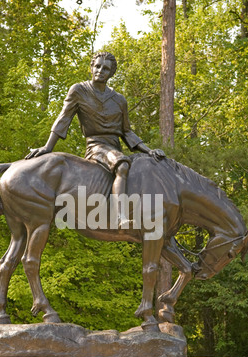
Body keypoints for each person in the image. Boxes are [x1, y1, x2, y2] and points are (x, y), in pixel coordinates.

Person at [25, 52, 164, 228]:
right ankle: (120, 216)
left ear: (111, 73)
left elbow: (127, 132)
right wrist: (48, 147)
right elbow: (63, 119)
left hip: (115, 148)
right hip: (96, 146)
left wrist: (149, 151)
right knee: (122, 164)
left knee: (144, 171)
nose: (100, 70)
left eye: (105, 68)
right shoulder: (79, 91)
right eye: (97, 66)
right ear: (91, 67)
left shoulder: (119, 100)